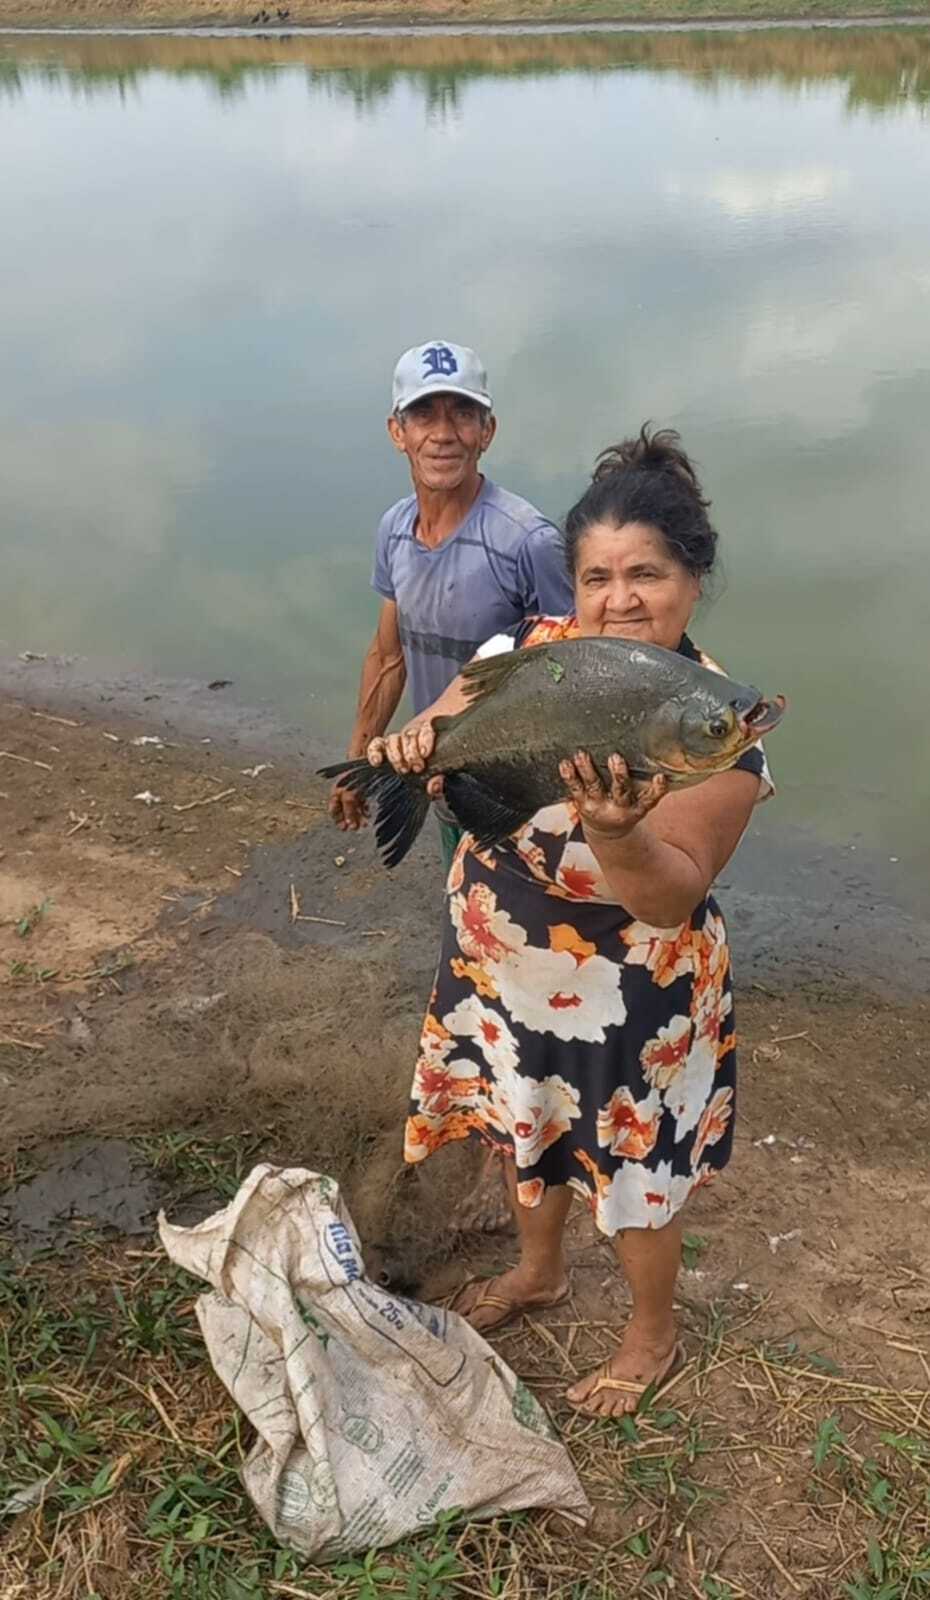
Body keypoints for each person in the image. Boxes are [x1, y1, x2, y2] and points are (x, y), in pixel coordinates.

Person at [367, 426, 774, 1418]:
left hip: (630, 995)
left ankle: (651, 1332)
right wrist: (417, 747)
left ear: (694, 579)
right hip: (503, 965)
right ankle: (539, 1272)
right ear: (573, 583)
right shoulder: (526, 650)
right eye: (598, 577)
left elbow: (669, 895)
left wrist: (616, 833)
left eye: (647, 574)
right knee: (525, 1129)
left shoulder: (716, 725)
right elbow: (453, 719)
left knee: (636, 1177)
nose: (620, 599)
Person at [328, 340, 573, 873]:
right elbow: (389, 656)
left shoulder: (528, 542)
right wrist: (359, 760)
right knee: (464, 905)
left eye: (463, 413)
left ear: (487, 431)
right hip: (443, 784)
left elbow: (570, 672)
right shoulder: (395, 529)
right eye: (424, 414)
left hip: (524, 801)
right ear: (397, 432)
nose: (443, 434)